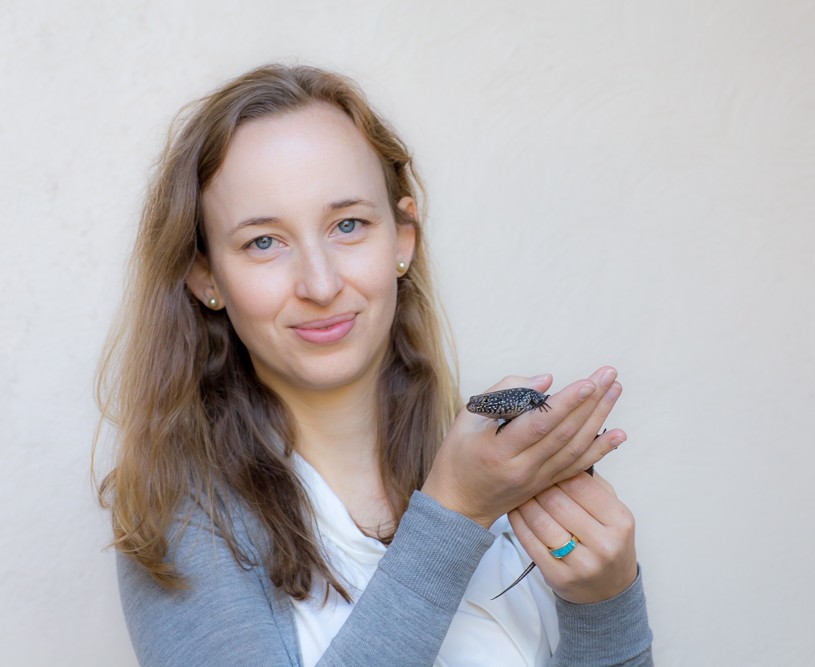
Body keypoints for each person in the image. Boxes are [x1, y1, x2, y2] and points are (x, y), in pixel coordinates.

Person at [96, 63, 653, 666]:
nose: (320, 282)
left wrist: (606, 603)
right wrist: (453, 515)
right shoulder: (184, 526)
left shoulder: (509, 474)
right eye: (264, 241)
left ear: (402, 239)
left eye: (349, 225)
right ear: (207, 277)